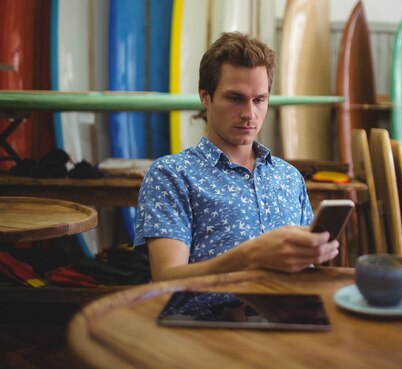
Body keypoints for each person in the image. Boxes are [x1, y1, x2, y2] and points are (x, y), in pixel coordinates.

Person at [134, 32, 339, 281]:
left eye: (259, 99)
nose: (249, 113)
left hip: (289, 316)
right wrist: (250, 256)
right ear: (205, 97)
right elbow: (167, 280)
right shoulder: (171, 176)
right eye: (235, 98)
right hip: (209, 320)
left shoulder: (289, 177)